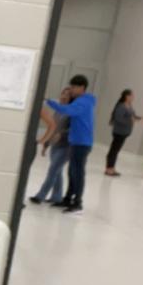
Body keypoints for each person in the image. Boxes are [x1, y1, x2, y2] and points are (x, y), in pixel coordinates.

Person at [45, 74, 96, 214]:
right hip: (76, 141)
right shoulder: (81, 101)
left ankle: (78, 203)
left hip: (82, 143)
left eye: (74, 87)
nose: (71, 89)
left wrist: (49, 102)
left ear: (82, 87)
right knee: (72, 172)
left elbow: (67, 110)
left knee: (78, 173)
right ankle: (68, 199)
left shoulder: (83, 102)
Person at [29, 87, 71, 205]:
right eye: (63, 93)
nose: (64, 96)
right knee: (57, 171)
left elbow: (74, 129)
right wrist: (46, 144)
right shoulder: (58, 111)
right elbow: (53, 128)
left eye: (67, 94)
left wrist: (62, 134)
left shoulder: (72, 112)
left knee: (53, 170)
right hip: (55, 146)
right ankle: (57, 197)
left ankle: (40, 196)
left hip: (66, 146)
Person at [105, 89, 140, 176]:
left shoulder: (129, 106)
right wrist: (130, 120)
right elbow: (119, 118)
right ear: (127, 96)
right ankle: (109, 169)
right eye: (132, 95)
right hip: (119, 132)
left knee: (116, 150)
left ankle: (112, 168)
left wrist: (138, 118)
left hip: (125, 132)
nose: (133, 97)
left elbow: (131, 116)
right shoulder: (121, 106)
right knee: (114, 150)